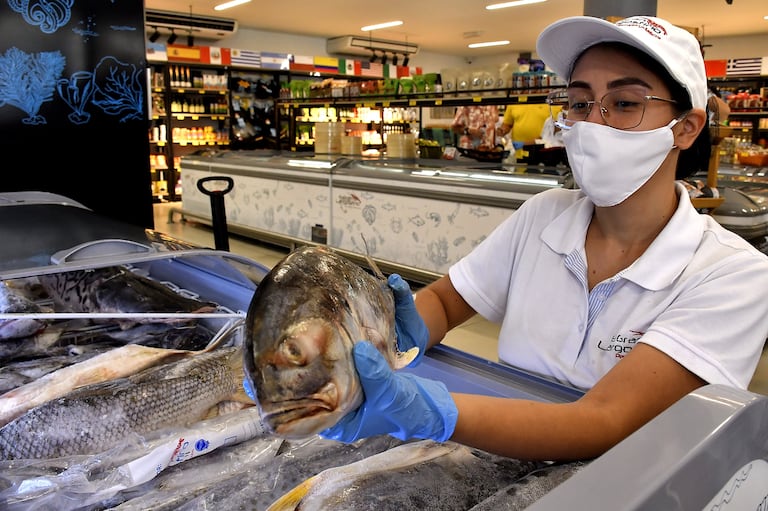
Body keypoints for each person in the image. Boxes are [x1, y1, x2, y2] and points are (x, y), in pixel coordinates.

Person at [321, 15, 768, 462]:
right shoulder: (543, 215)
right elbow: (444, 302)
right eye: (579, 102)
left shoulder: (733, 275)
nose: (594, 122)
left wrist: (430, 411)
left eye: (626, 102)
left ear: (685, 128)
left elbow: (604, 420)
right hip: (499, 462)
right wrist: (389, 337)